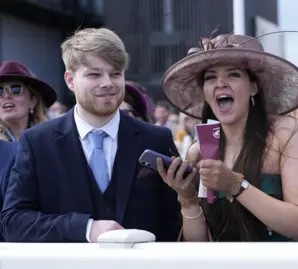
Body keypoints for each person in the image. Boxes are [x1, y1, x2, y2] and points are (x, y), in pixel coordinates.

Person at [1, 27, 181, 242]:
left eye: (115, 73)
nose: (107, 82)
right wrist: (85, 228)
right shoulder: (37, 142)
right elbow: (13, 222)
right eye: (94, 74)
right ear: (70, 80)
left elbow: (175, 223)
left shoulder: (157, 138)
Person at [158, 34, 298, 241]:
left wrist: (234, 184)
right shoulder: (198, 151)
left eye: (233, 75)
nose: (220, 84)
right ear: (204, 92)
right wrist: (188, 201)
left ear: (253, 87)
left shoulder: (285, 132)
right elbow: (199, 246)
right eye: (210, 77)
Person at [0, 61, 57, 141]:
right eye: (0, 90)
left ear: (32, 101)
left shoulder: (50, 140)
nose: (6, 95)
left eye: (16, 89)